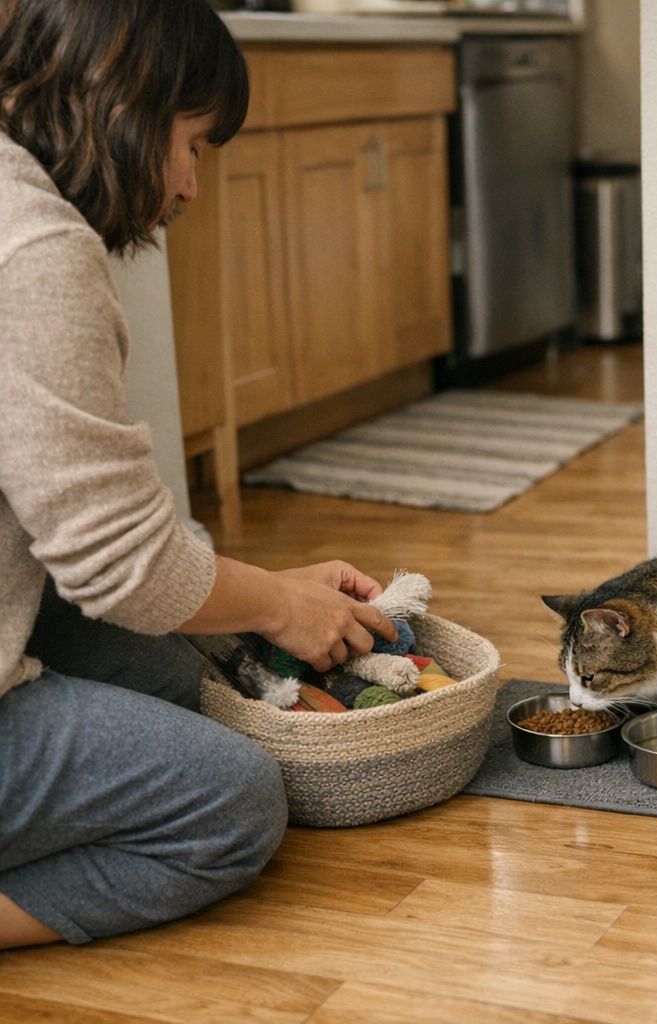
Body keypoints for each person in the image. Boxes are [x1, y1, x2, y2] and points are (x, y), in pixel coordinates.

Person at [0, 0, 397, 949]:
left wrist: (268, 588)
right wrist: (278, 609)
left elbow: (77, 518)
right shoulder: (33, 248)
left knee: (169, 671)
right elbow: (119, 567)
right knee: (230, 802)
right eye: (193, 144)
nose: (188, 183)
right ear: (123, 100)